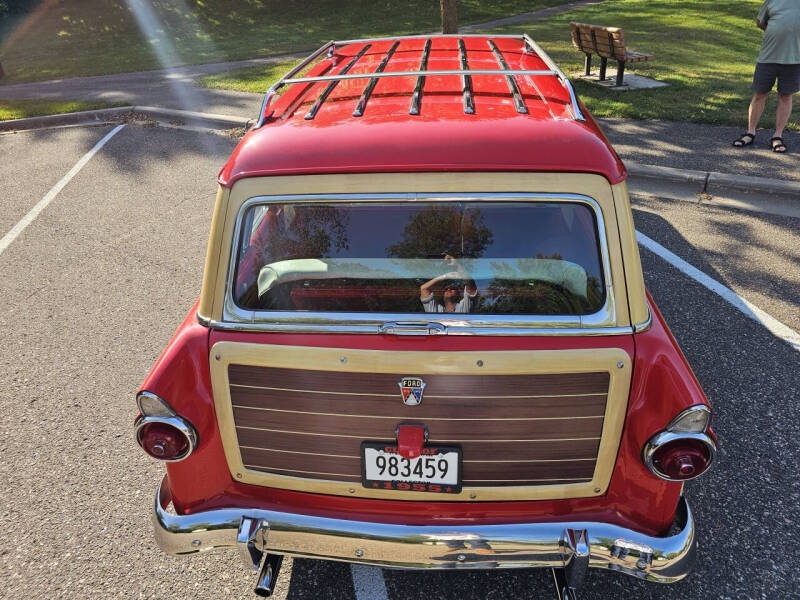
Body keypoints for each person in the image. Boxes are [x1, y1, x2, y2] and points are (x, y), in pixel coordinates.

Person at [733, 0, 800, 153]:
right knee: (759, 94)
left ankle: (777, 136)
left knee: (785, 96)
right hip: (768, 57)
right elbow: (760, 23)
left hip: (794, 59)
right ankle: (750, 132)